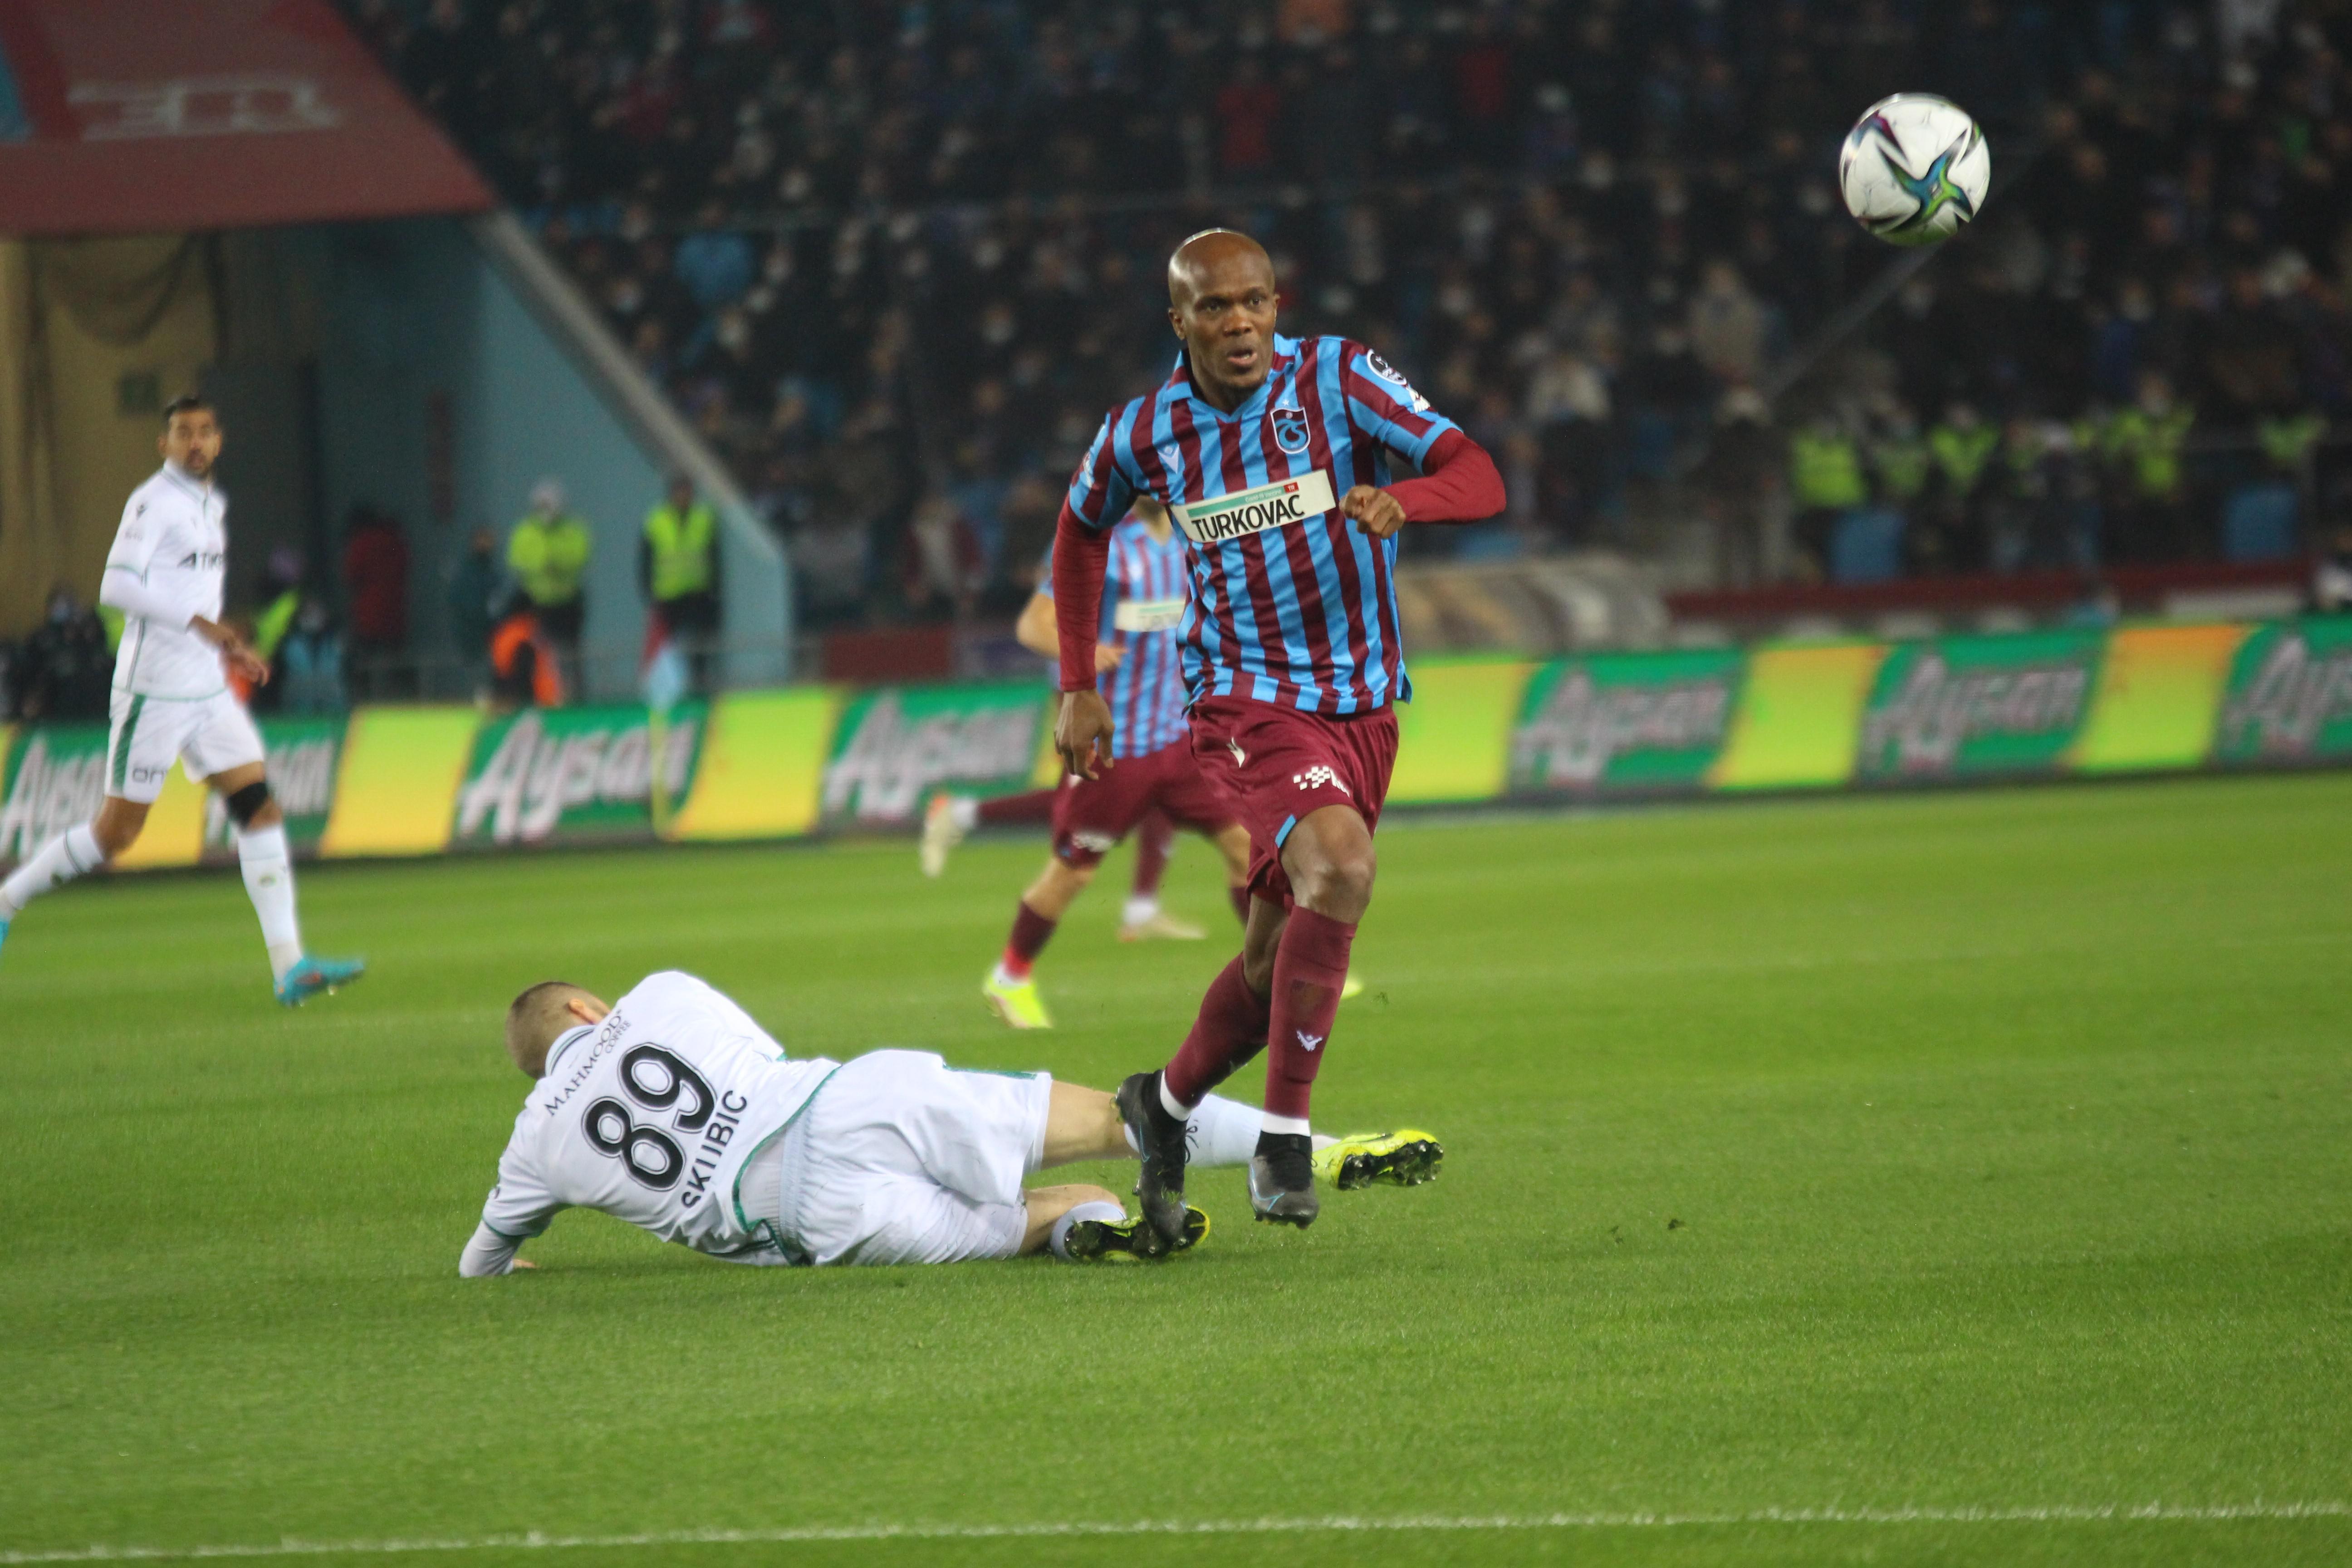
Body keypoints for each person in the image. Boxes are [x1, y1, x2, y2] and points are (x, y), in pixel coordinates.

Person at [1052, 230, 1503, 1247]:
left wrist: (1410, 497)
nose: (1242, 323)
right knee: (1341, 869)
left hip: (1364, 709)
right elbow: (1080, 530)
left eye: (1256, 302)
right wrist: (1079, 684)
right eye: (1216, 308)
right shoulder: (1144, 432)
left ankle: (1159, 1109)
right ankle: (1284, 1138)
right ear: (1180, 323)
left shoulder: (1340, 379)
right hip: (1246, 703)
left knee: (1268, 973)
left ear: (1276, 304)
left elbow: (1479, 473)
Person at [460, 970, 1442, 1274]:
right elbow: (757, 1058)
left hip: (813, 1225)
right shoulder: (659, 996)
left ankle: (1084, 1225)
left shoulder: (530, 1146)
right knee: (1118, 1118)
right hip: (845, 1103)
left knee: (1025, 1221)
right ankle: (1316, 1149)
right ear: (590, 1011)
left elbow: (483, 1259)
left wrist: (514, 1262)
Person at [0, 397, 364, 1004]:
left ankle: (290, 966)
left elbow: (192, 593)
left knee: (259, 808)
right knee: (115, 834)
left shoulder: (210, 506)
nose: (194, 443)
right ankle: (7, 899)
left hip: (208, 690)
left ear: (218, 441)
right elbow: (116, 585)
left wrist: (227, 647)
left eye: (204, 432)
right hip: (154, 691)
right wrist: (202, 626)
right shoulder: (154, 502)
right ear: (163, 445)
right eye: (182, 433)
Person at [972, 498, 1254, 1029]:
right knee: (1072, 874)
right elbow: (1032, 626)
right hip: (1113, 747)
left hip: (1182, 739)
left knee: (1246, 846)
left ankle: (1278, 970)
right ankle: (1009, 977)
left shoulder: (1196, 532)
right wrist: (1079, 651)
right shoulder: (1095, 540)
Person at [640, 475, 722, 693]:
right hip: (668, 594)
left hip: (698, 593)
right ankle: (669, 691)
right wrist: (649, 591)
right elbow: (646, 559)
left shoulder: (703, 518)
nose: (684, 497)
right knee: (667, 649)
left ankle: (699, 687)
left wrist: (715, 589)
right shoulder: (656, 520)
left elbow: (714, 556)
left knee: (699, 645)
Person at [507, 478, 592, 674]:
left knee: (571, 654)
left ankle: (574, 696)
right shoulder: (525, 532)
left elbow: (581, 557)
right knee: (538, 651)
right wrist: (541, 565)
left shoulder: (573, 530)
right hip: (538, 603)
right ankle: (542, 693)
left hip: (568, 601)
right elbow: (517, 561)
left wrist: (558, 564)